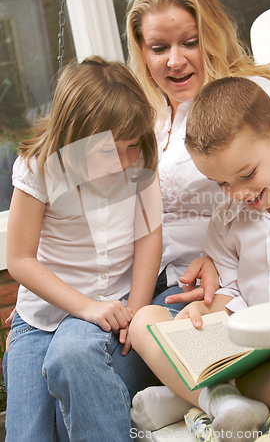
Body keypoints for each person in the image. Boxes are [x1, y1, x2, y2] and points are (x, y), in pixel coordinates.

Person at [129, 76, 270, 441]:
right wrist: (206, 313)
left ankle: (204, 396)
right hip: (248, 347)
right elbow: (231, 290)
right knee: (145, 321)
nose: (238, 194)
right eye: (221, 184)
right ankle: (220, 397)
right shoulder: (227, 220)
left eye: (247, 174)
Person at [125, 0, 270, 305]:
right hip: (136, 277)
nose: (175, 61)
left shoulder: (259, 100)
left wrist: (221, 263)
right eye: (159, 48)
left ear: (212, 34)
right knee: (48, 340)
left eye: (190, 42)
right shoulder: (145, 118)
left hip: (201, 286)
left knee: (86, 351)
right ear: (143, 52)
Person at [4, 56, 177, 442]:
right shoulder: (37, 168)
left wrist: (134, 309)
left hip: (106, 308)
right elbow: (18, 259)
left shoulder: (141, 161)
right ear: (72, 139)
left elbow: (148, 236)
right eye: (107, 152)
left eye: (131, 146)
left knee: (74, 364)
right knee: (27, 433)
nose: (124, 160)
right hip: (39, 319)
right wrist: (85, 305)